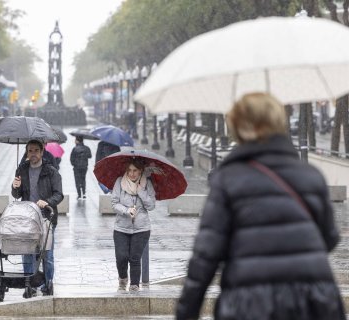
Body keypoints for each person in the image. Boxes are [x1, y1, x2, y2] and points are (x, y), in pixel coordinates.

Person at [176, 93, 345, 320]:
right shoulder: (311, 176)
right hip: (313, 301)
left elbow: (206, 254)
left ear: (239, 127)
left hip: (250, 303)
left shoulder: (228, 179)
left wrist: (187, 311)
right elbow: (330, 238)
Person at [12, 139, 63, 296]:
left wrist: (46, 201)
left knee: (46, 254)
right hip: (28, 218)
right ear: (27, 153)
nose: (33, 154)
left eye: (36, 151)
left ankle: (47, 284)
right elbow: (16, 195)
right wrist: (15, 186)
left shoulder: (51, 171)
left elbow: (59, 195)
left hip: (46, 218)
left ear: (42, 152)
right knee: (27, 253)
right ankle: (30, 285)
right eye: (30, 151)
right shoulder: (21, 169)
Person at [111, 158, 156, 293]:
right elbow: (114, 203)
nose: (132, 174)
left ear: (140, 170)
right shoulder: (120, 182)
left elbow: (151, 205)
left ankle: (134, 285)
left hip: (141, 228)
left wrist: (141, 191)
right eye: (129, 170)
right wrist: (126, 210)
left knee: (135, 258)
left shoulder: (147, 184)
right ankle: (123, 279)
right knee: (121, 257)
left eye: (135, 170)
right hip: (121, 227)